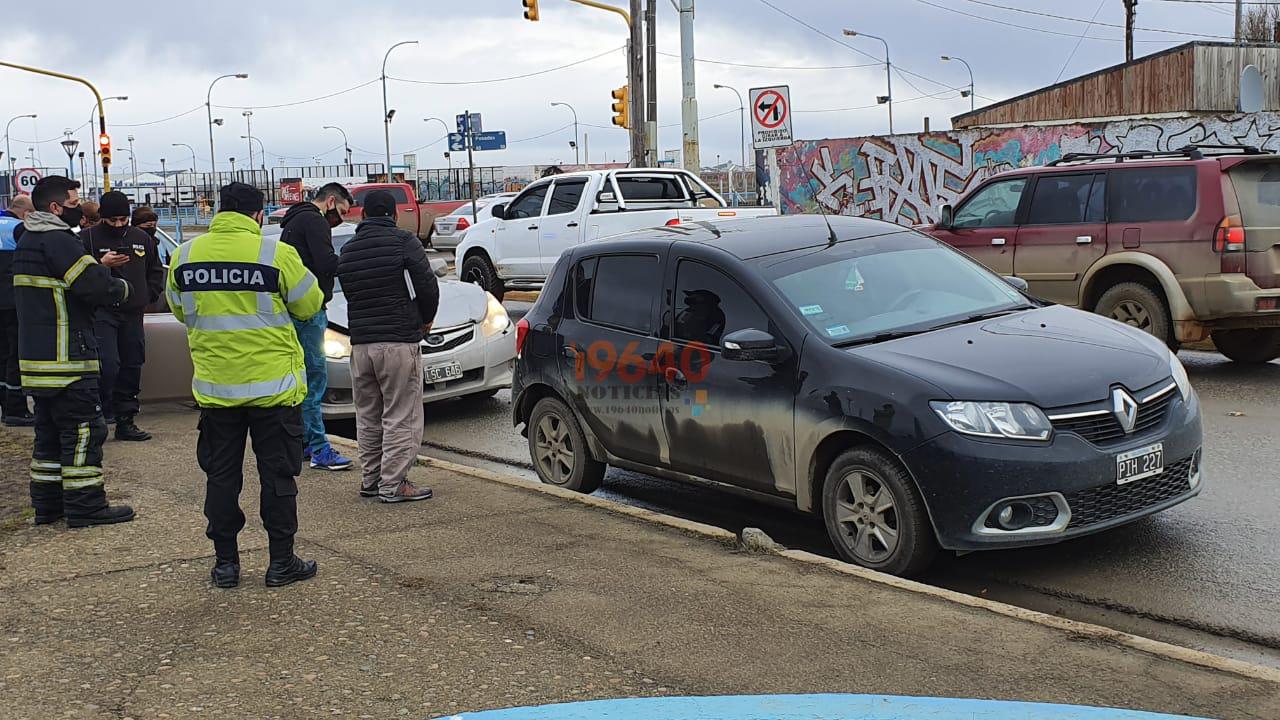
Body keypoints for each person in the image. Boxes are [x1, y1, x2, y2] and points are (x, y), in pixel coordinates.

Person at [167, 182, 323, 588]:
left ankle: (225, 565)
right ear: (257, 215)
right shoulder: (276, 254)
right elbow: (309, 304)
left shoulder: (184, 256)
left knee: (220, 477)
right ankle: (281, 563)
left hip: (217, 391)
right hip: (274, 390)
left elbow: (180, 311)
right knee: (278, 476)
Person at [14, 176, 134, 527]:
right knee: (85, 431)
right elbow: (94, 287)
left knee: (49, 436)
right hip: (68, 357)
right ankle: (86, 505)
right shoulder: (58, 241)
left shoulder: (29, 240)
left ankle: (48, 505)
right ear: (55, 208)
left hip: (37, 361)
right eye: (73, 203)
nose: (80, 210)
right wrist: (124, 288)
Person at [336, 190, 438, 503]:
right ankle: (394, 484)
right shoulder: (404, 241)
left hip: (362, 345)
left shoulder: (349, 249)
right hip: (396, 341)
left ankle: (371, 479)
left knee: (367, 415)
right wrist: (425, 319)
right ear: (394, 215)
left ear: (363, 215)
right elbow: (427, 285)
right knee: (400, 415)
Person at [278, 182, 354, 472]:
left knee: (299, 381)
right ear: (331, 201)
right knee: (314, 380)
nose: (341, 219)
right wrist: (351, 260)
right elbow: (326, 264)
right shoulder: (315, 221)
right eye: (342, 212)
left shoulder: (294, 221)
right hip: (309, 311)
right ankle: (320, 449)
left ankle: (304, 443)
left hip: (291, 310)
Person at [81, 192, 164, 440]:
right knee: (107, 363)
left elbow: (155, 270)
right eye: (112, 220)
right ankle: (101, 412)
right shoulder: (86, 239)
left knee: (132, 363)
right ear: (102, 218)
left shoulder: (141, 238)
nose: (118, 225)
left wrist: (147, 295)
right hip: (101, 311)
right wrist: (100, 264)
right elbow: (77, 277)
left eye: (122, 219)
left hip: (132, 312)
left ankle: (126, 419)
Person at [0, 196, 35, 426]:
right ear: (25, 213)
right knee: (16, 354)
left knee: (1, 354)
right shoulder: (19, 228)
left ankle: (5, 406)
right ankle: (16, 409)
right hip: (13, 301)